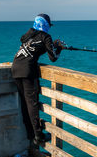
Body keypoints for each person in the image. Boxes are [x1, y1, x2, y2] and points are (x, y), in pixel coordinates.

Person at [12, 13, 64, 145]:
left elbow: (32, 45)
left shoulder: (29, 35)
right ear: (46, 25)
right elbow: (53, 57)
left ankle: (31, 135)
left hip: (16, 68)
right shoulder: (45, 36)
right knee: (32, 104)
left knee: (24, 104)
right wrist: (59, 47)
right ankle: (38, 135)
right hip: (28, 71)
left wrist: (53, 45)